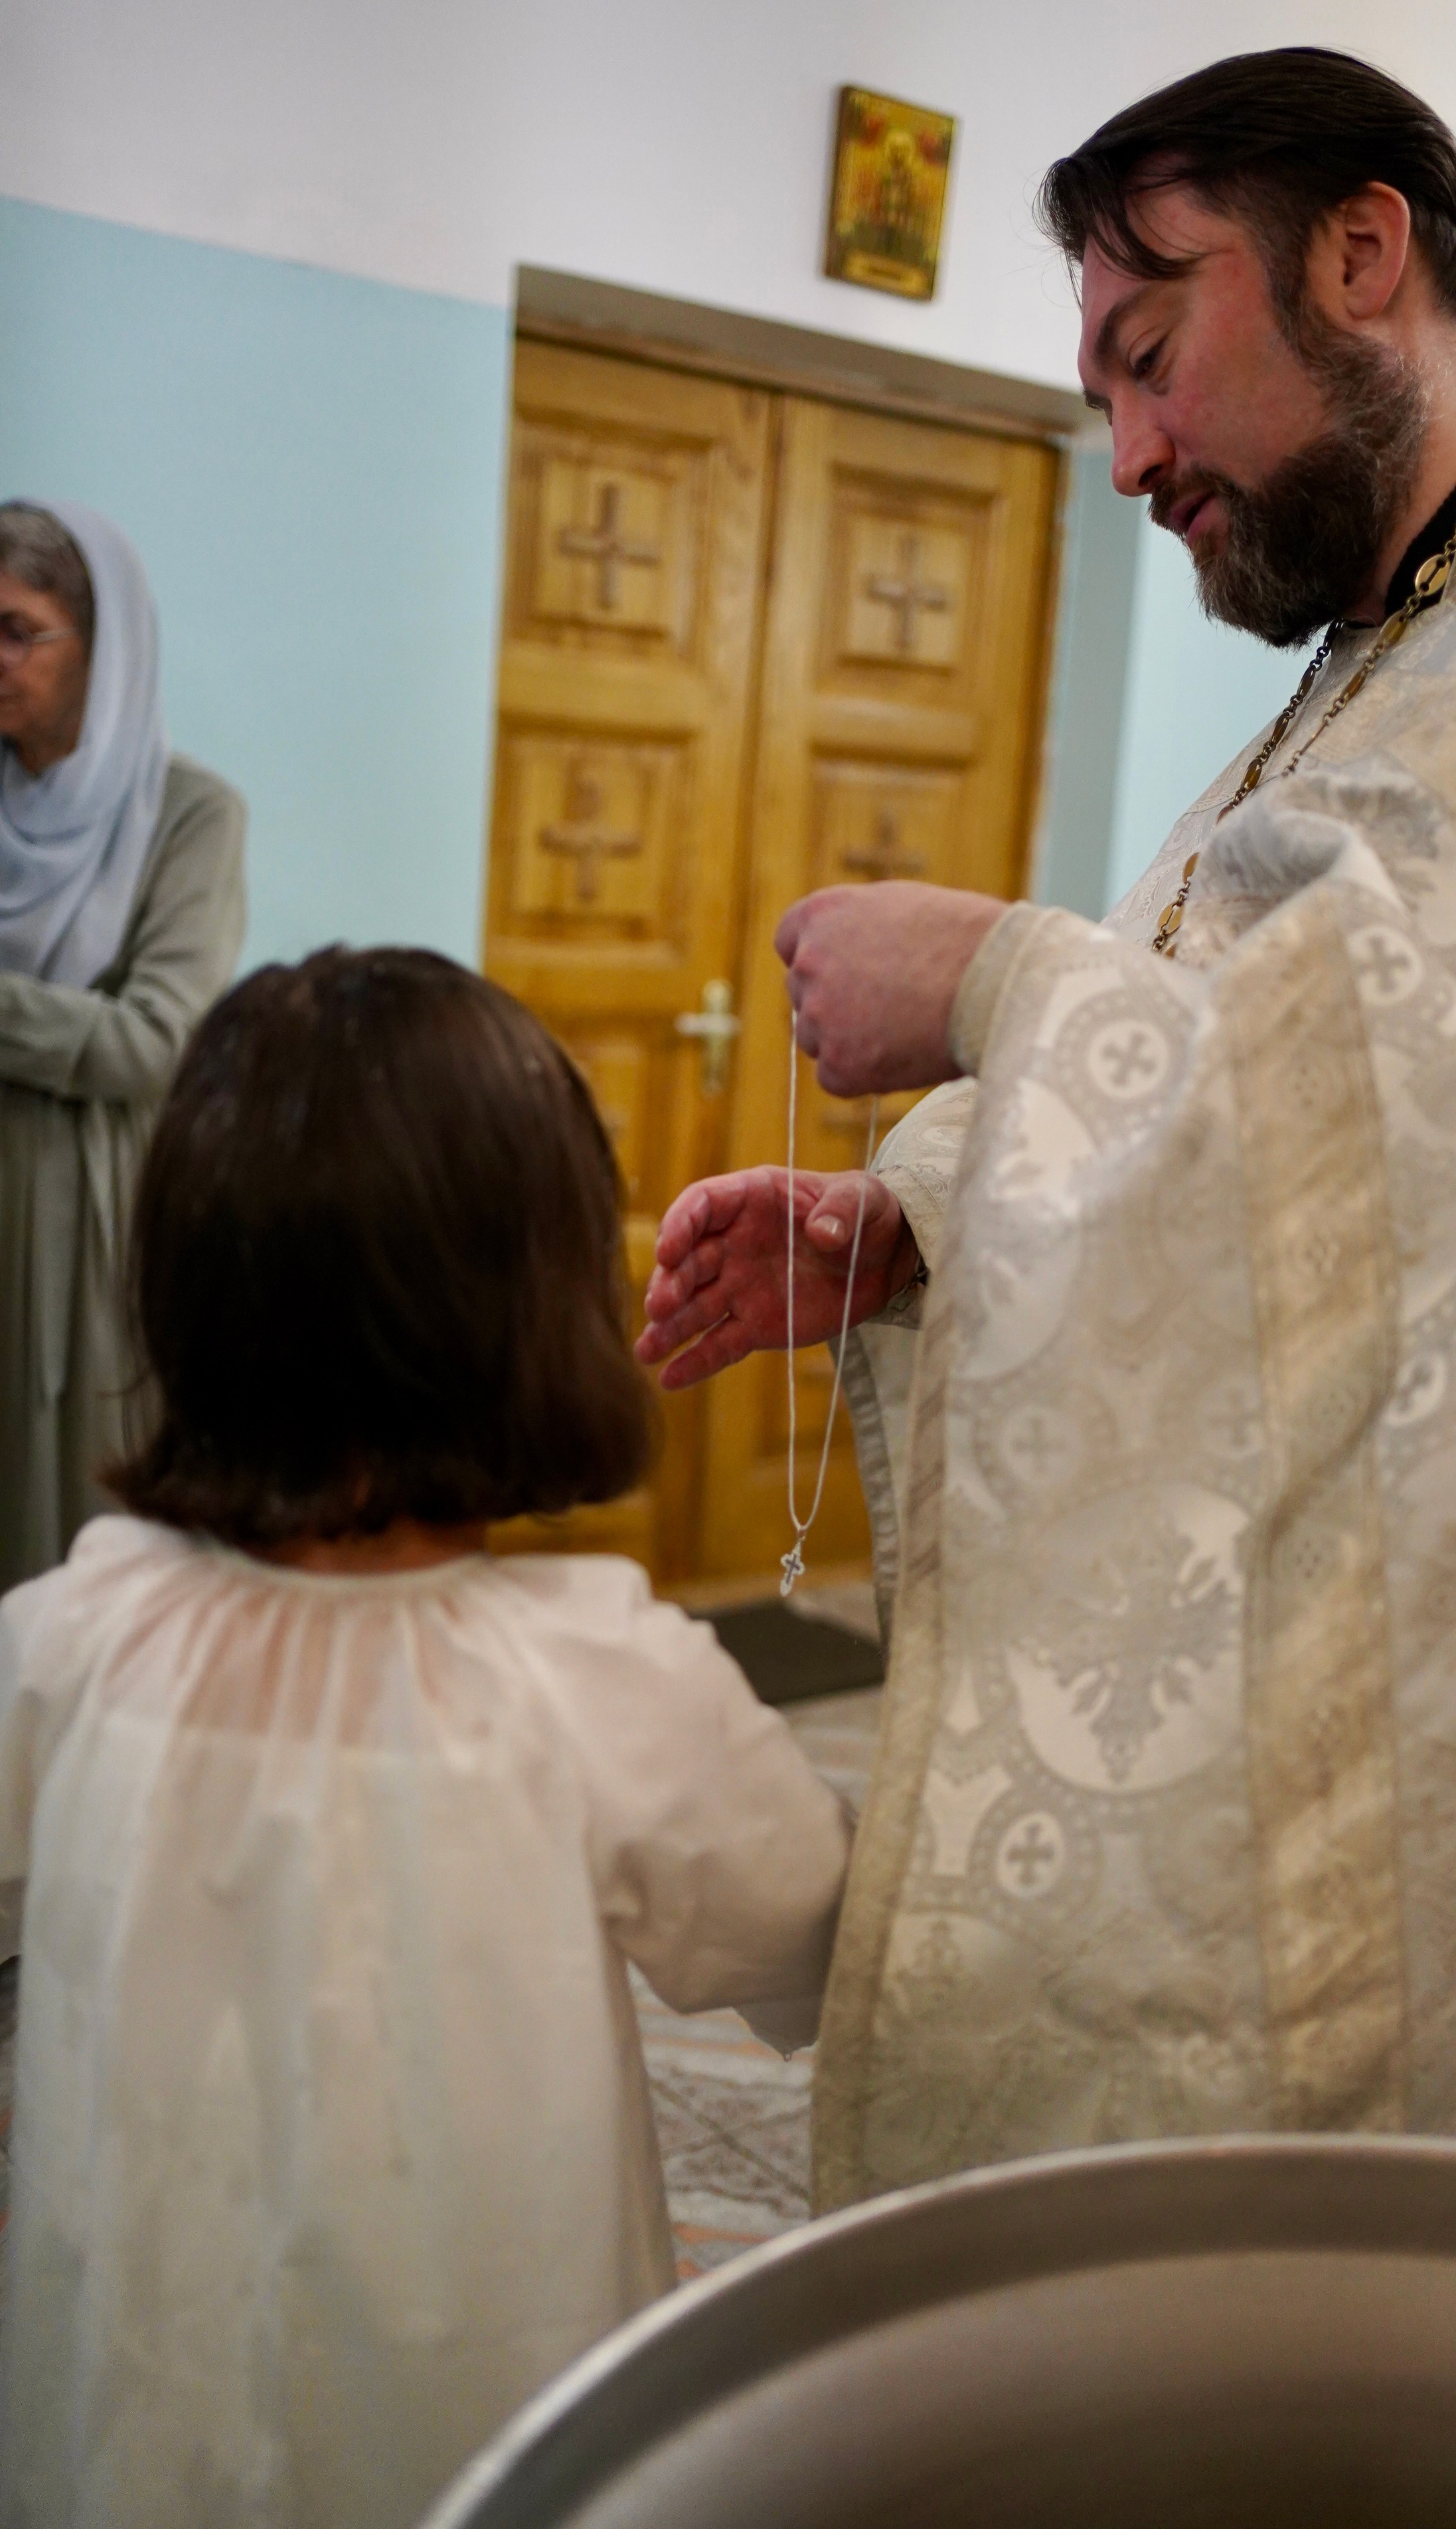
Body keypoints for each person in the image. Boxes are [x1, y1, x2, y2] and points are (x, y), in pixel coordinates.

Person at [638, 48, 1456, 2208]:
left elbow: (1453, 1139)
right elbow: (1262, 1035)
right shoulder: (1381, 658)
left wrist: (995, 980)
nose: (1125, 453)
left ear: (1363, 250)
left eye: (1149, 352)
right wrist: (918, 1213)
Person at [0, 948, 852, 2529]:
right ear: (532, 1312)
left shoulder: (68, 1634)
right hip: (485, 2429)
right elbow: (820, 1944)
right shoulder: (600, 1680)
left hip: (129, 2397)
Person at [0, 499, 246, 1591]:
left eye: (20, 630)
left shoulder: (191, 815)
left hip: (85, 1217)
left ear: (107, 649)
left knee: (69, 1548)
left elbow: (153, 1042)